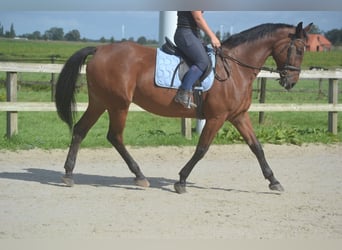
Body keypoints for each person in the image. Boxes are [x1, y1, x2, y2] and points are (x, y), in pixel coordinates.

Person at [174, 11, 221, 109]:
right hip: (186, 33)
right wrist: (212, 36)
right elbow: (198, 18)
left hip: (193, 33)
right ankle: (183, 92)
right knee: (202, 61)